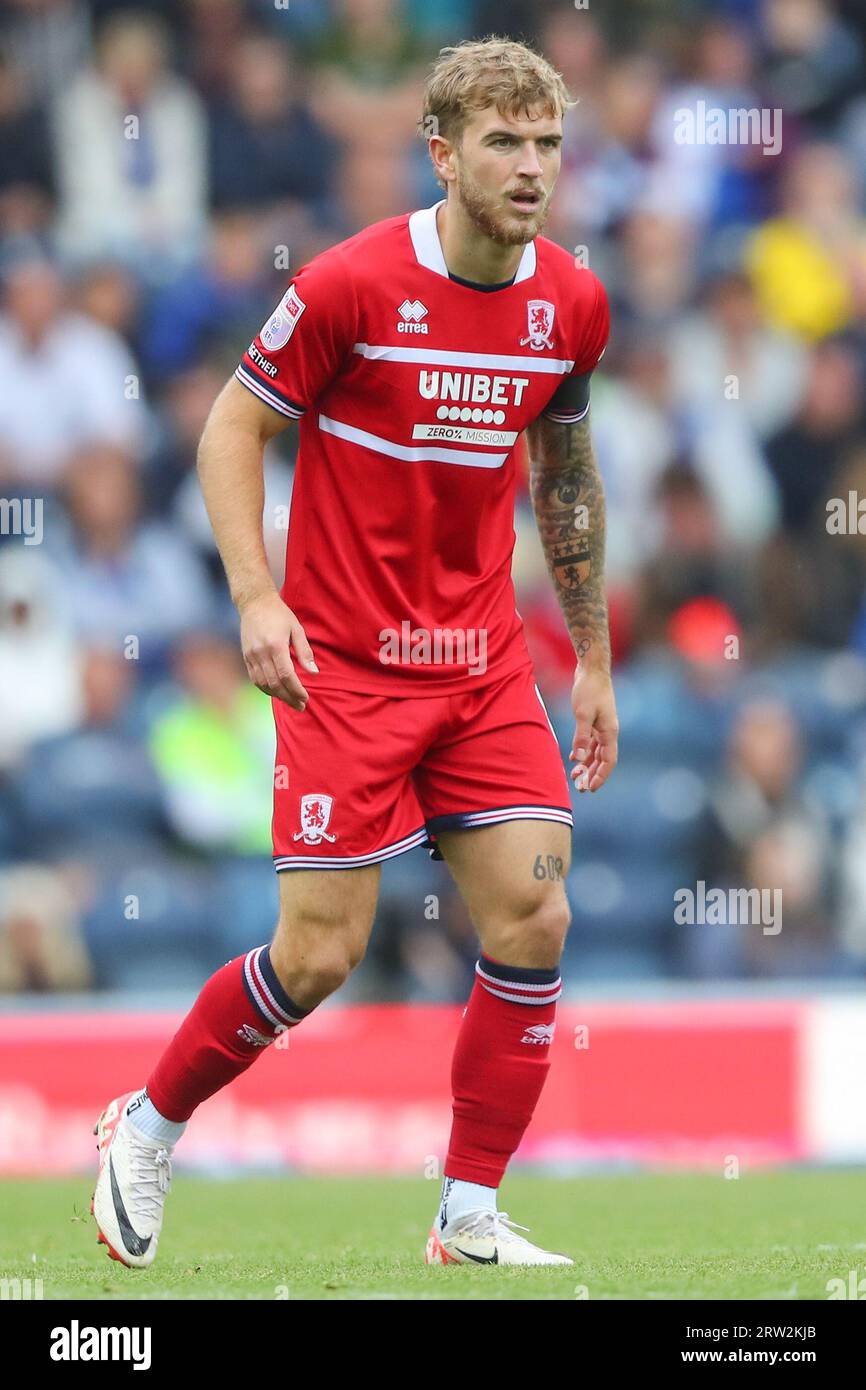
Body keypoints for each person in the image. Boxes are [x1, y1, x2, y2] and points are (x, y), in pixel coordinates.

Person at [91, 35, 618, 1271]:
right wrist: (253, 597)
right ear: (440, 154)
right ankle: (148, 1124)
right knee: (320, 951)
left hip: (482, 661)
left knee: (534, 912)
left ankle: (467, 1211)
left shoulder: (573, 304)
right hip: (345, 664)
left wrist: (587, 655)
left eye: (545, 141)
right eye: (502, 141)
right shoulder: (348, 284)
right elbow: (232, 425)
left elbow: (567, 476)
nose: (530, 166)